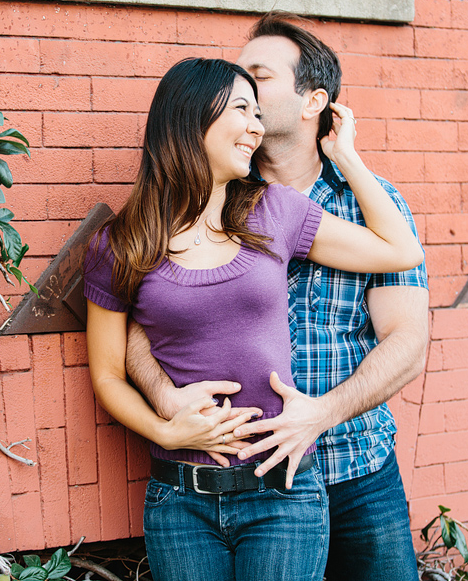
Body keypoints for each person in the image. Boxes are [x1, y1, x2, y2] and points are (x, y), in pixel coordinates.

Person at [80, 57, 423, 581]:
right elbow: (106, 373)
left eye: (258, 111)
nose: (257, 127)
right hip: (181, 500)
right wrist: (164, 430)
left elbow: (400, 250)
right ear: (191, 117)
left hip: (282, 496)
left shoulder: (273, 211)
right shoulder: (120, 244)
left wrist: (346, 157)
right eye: (243, 108)